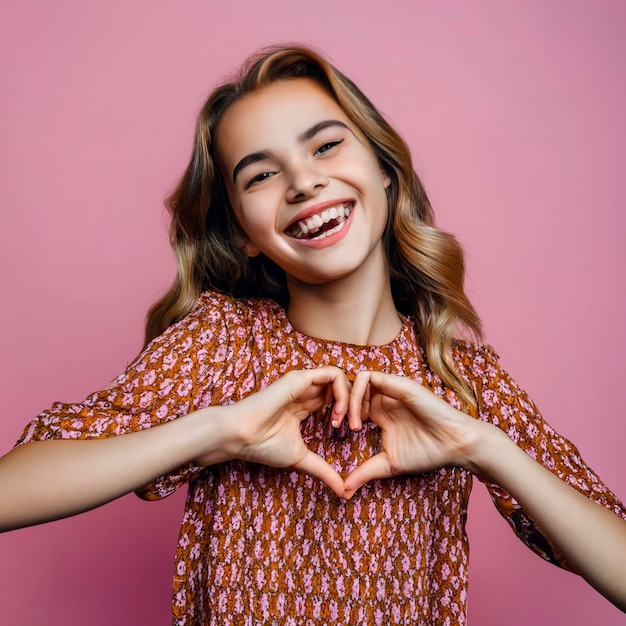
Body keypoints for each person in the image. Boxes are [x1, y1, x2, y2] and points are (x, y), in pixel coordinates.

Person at [1, 45, 625, 625]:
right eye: (259, 175)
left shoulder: (460, 375)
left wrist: (483, 448)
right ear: (242, 232)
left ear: (385, 170)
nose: (303, 182)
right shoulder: (223, 342)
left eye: (325, 146)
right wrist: (217, 430)